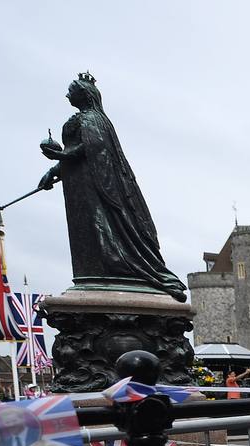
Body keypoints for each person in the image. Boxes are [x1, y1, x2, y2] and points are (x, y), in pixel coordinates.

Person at [37, 74, 187, 300]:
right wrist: (54, 170)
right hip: (81, 185)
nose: (67, 95)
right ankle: (98, 272)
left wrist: (59, 155)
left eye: (71, 90)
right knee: (87, 232)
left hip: (95, 186)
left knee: (101, 228)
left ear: (83, 94)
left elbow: (91, 148)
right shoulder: (91, 119)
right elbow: (80, 153)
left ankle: (116, 266)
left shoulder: (91, 119)